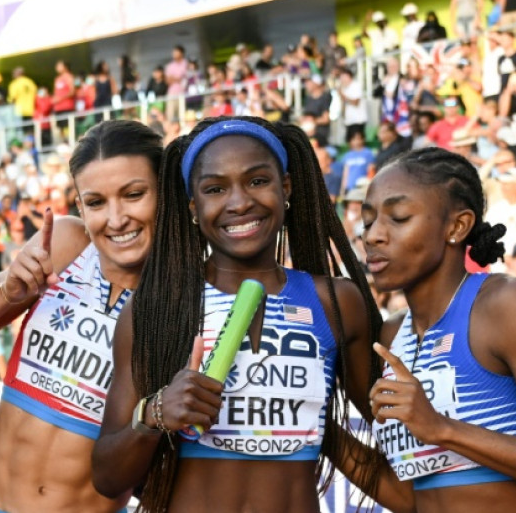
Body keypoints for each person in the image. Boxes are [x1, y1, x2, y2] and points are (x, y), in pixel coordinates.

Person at [92, 116, 383, 512]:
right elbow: (108, 476)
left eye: (258, 181)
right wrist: (156, 412)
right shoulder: (156, 309)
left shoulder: (338, 302)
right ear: (194, 206)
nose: (239, 202)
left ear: (286, 187)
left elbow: (396, 435)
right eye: (215, 189)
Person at [359, 147, 516, 511]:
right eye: (368, 221)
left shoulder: (506, 304)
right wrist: (318, 425)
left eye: (398, 217)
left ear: (457, 226)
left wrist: (441, 428)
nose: (373, 236)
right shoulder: (391, 337)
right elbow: (411, 499)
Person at [0, 120, 163, 513]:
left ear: (164, 194)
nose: (116, 219)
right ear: (79, 205)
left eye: (133, 195)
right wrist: (6, 294)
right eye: (96, 202)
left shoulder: (183, 299)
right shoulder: (64, 242)